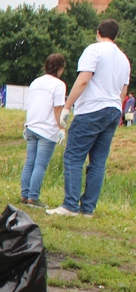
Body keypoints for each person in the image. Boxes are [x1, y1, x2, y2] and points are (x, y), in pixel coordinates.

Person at [46, 19, 130, 217]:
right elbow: (123, 90)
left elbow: (84, 80)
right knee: (98, 161)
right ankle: (88, 209)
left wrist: (67, 107)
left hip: (92, 109)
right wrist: (116, 110)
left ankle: (70, 205)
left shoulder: (94, 50)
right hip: (113, 109)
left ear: (98, 32)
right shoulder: (124, 59)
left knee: (74, 156)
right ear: (116, 36)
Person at [19, 53, 67, 209]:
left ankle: (25, 194)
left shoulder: (35, 82)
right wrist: (62, 128)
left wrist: (26, 124)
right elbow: (58, 108)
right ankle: (34, 197)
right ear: (60, 68)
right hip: (47, 129)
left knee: (29, 163)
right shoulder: (59, 85)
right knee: (40, 164)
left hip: (32, 125)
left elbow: (31, 104)